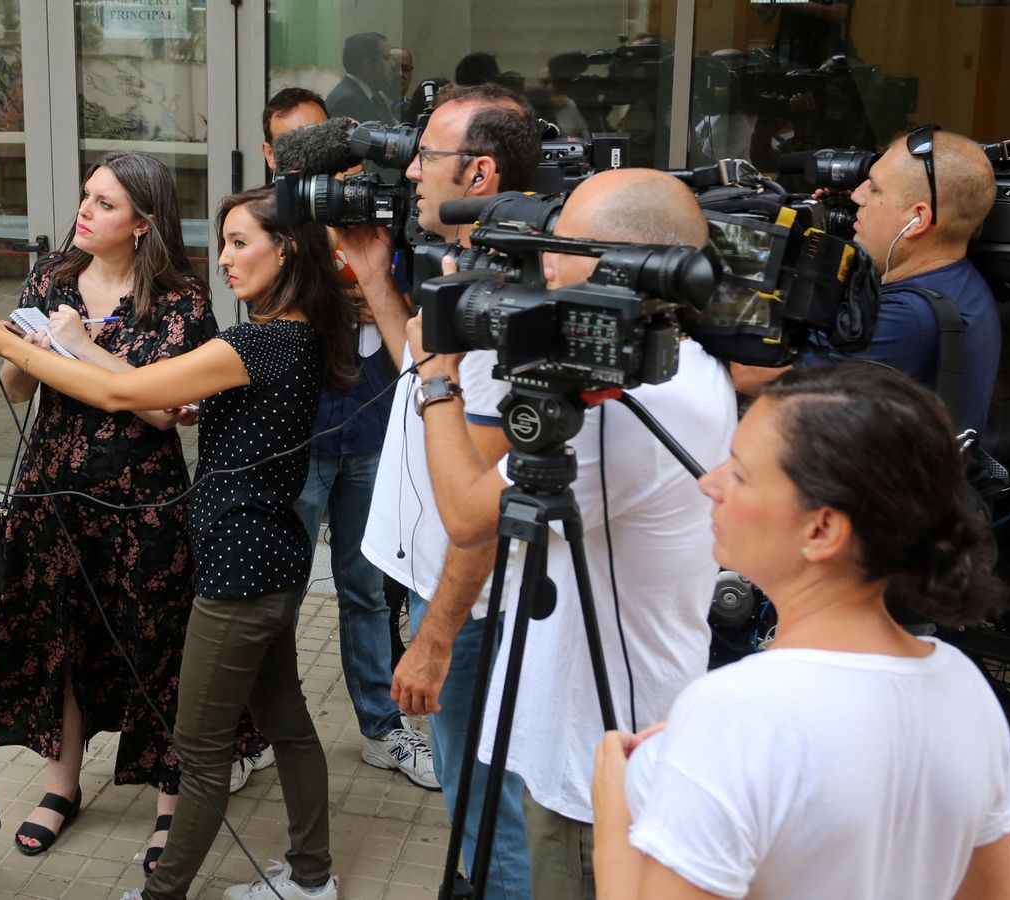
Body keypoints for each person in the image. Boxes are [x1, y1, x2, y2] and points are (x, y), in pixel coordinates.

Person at [0, 186, 356, 900]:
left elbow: (118, 399)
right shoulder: (289, 336)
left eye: (238, 242)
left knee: (198, 753)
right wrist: (74, 347)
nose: (223, 258)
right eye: (222, 241)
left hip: (239, 571)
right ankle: (313, 877)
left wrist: (12, 344)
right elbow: (158, 396)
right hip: (270, 558)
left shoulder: (257, 341)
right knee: (288, 724)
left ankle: (163, 893)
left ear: (286, 248)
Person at [414, 167, 736, 900]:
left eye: (563, 245)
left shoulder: (626, 407)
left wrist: (438, 374)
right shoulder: (675, 362)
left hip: (599, 752)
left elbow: (468, 517)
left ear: (629, 262)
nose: (544, 262)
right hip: (608, 719)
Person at [591, 363, 1010, 900]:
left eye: (741, 472)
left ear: (822, 530)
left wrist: (613, 811)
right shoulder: (964, 688)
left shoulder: (735, 714)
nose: (710, 482)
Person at [0, 151, 242, 872]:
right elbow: (18, 390)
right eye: (86, 196)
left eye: (105, 203)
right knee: (61, 637)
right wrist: (28, 345)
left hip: (143, 500)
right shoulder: (53, 278)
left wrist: (82, 345)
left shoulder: (179, 300)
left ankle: (168, 799)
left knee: (155, 646)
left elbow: (161, 408)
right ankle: (62, 786)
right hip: (54, 489)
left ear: (143, 222)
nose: (84, 211)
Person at [346, 82, 542, 898]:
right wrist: (375, 278)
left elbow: (484, 514)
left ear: (481, 174)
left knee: (487, 821)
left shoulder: (507, 304)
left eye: (427, 155)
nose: (411, 170)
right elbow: (424, 389)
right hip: (447, 596)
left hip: (468, 609)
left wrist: (434, 636)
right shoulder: (478, 268)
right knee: (476, 813)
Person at [263, 84, 439, 792]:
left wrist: (374, 289)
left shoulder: (383, 210)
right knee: (276, 589)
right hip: (299, 433)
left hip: (372, 426)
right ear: (275, 153)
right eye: (297, 145)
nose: (318, 157)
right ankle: (257, 730)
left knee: (367, 589)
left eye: (325, 138)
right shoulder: (275, 218)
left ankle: (381, 727)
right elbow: (263, 305)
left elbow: (414, 308)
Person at [734, 127, 1000, 434]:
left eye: (874, 189)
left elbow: (751, 373)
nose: (857, 195)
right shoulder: (953, 279)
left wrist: (750, 247)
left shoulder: (907, 316)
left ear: (917, 219)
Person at [326, 31, 400, 126]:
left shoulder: (375, 97)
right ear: (368, 64)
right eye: (386, 58)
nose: (393, 64)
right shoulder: (347, 101)